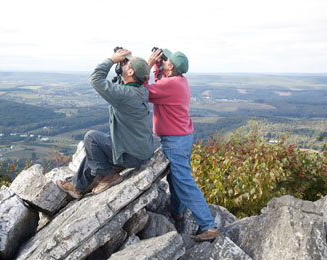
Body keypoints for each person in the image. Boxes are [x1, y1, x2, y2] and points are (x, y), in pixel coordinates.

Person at [56, 48, 159, 199]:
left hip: (131, 155)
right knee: (95, 151)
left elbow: (96, 79)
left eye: (126, 64)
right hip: (140, 150)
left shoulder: (124, 95)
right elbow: (139, 77)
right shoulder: (141, 90)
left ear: (131, 73)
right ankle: (78, 186)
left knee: (91, 138)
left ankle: (108, 176)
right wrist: (139, 66)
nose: (122, 65)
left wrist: (112, 60)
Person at [147, 48, 219, 241]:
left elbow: (144, 92)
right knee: (175, 177)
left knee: (184, 181)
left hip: (175, 140)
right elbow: (161, 83)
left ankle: (208, 225)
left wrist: (147, 66)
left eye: (165, 60)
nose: (163, 61)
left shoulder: (171, 85)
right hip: (182, 137)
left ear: (171, 66)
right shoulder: (179, 81)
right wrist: (157, 67)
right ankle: (176, 210)